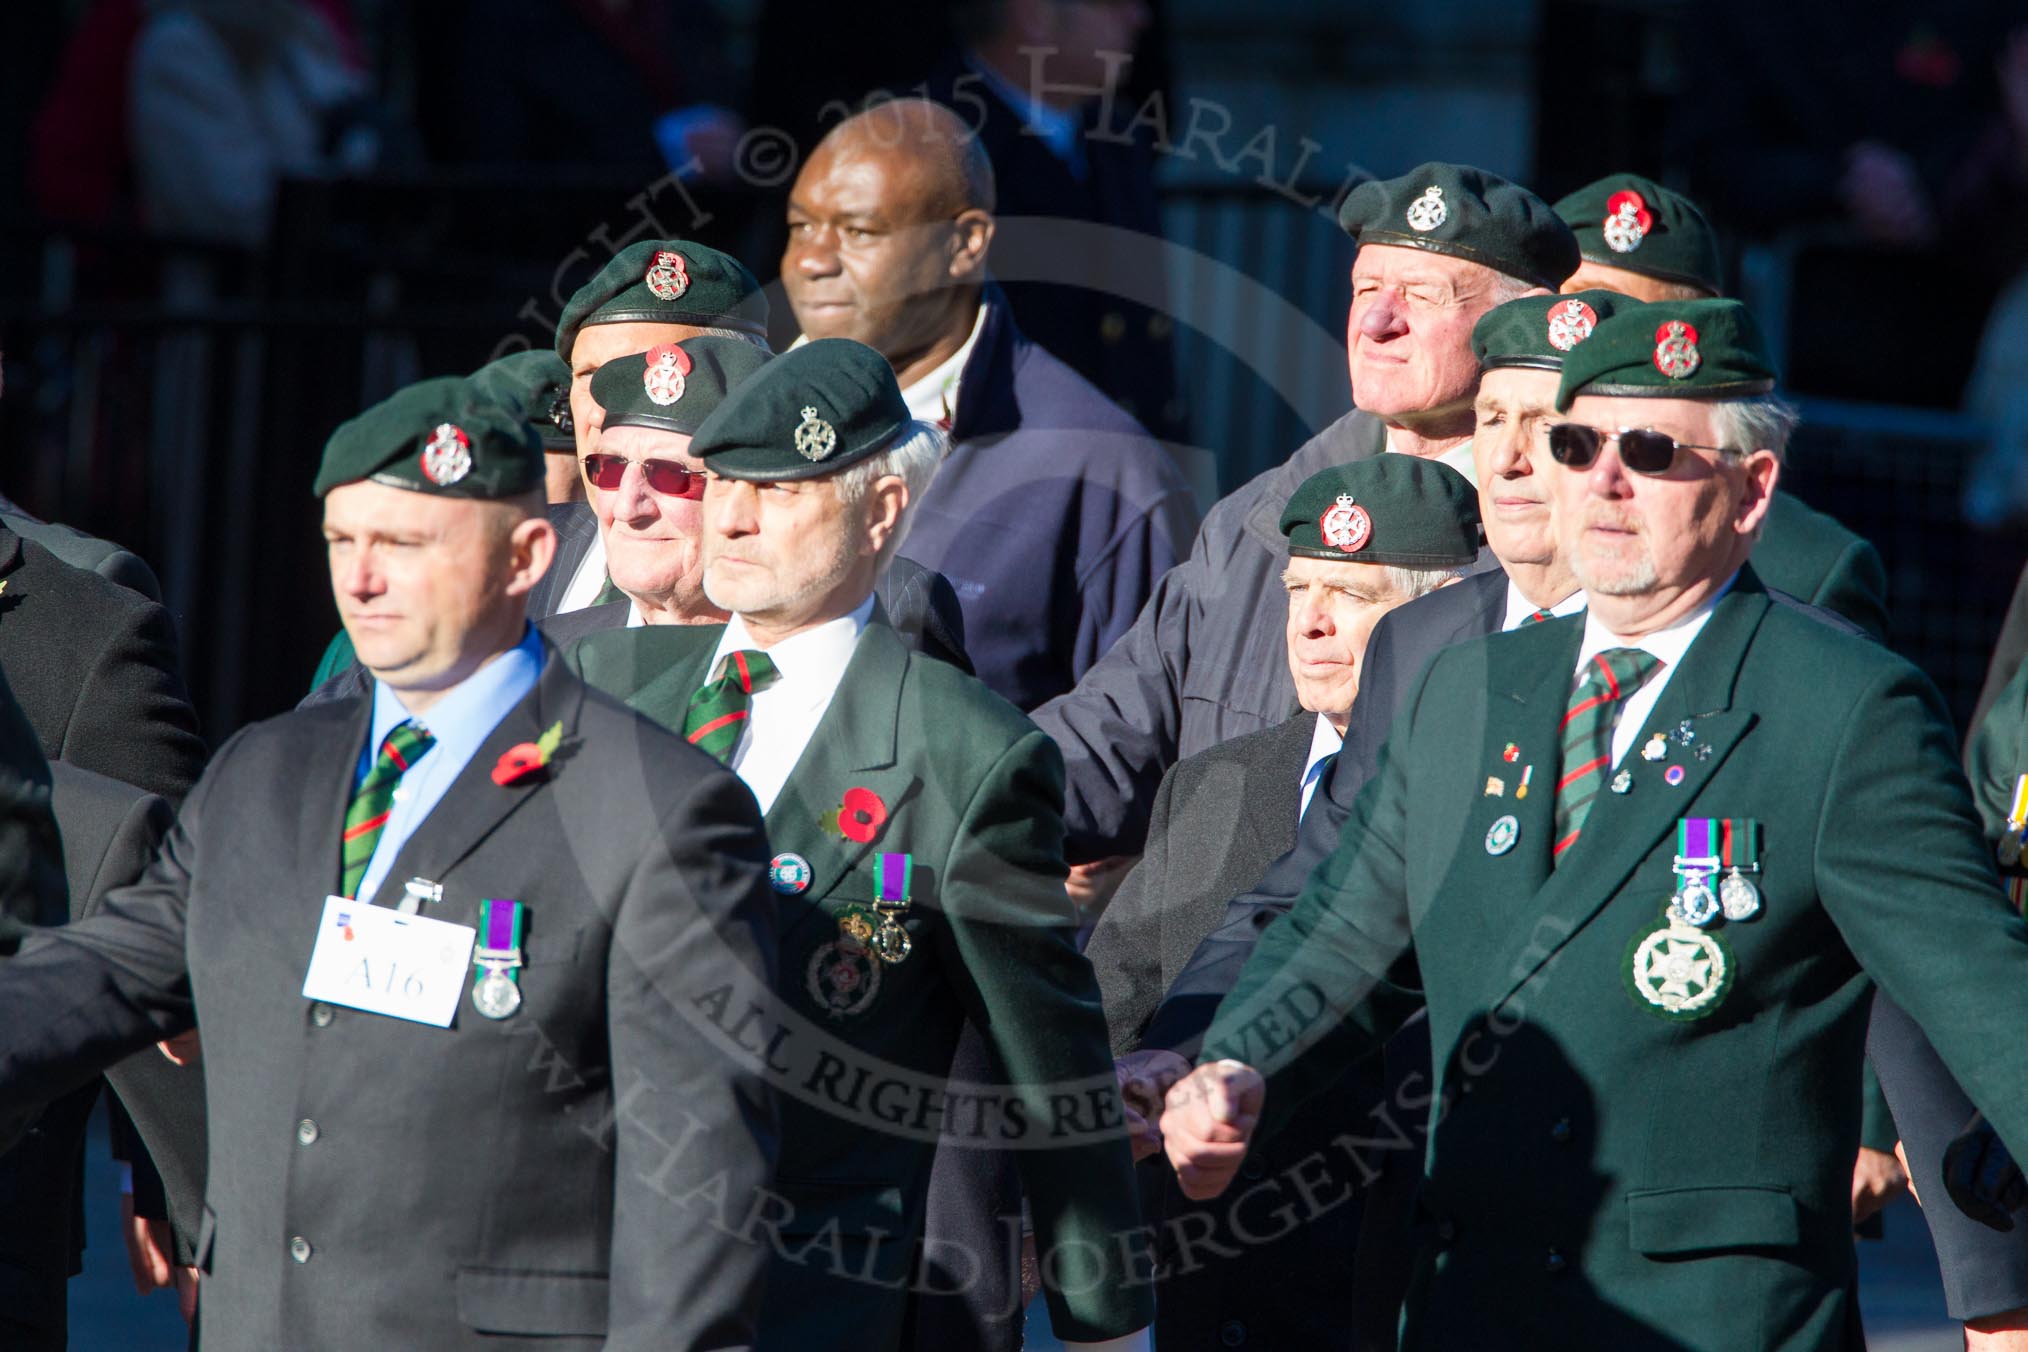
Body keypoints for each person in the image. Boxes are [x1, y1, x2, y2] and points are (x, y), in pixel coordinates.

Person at [1158, 297, 2028, 1350]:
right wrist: (1241, 1061)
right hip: (1472, 1294)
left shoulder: (1842, 707)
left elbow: (1985, 1004)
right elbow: (1345, 928)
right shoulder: (1469, 684)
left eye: (1652, 450)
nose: (1603, 480)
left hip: (1711, 1316)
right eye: (1578, 444)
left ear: (1753, 491)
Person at [0, 377, 781, 1350]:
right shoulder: (264, 774)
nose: (364, 579)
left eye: (406, 544)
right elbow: (106, 969)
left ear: (525, 556)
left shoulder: (655, 809)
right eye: (344, 542)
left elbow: (698, 1194)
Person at [569, 338, 1153, 1351]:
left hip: (797, 1295)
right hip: (577, 1275)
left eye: (781, 491)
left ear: (880, 512)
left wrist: (1105, 1326)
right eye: (725, 482)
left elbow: (1048, 1059)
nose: (736, 518)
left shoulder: (964, 749)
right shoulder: (600, 681)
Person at [1031, 162, 1580, 860]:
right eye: (1366, 290)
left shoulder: (1554, 549)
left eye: (1421, 294)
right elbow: (1107, 740)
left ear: (1515, 323)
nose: (1378, 321)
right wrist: (935, 790)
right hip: (1200, 958)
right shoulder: (1254, 524)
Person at [1085, 455, 1479, 1352]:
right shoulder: (1220, 781)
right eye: (1300, 589)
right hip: (1194, 1267)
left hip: (1368, 1280)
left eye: (1356, 595)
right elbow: (1120, 978)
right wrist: (1127, 1078)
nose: (1312, 623)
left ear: (1443, 614)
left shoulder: (1477, 779)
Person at [781, 98, 1196, 709]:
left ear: (966, 242)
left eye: (859, 231)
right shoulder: (731, 413)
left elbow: (1138, 740)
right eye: (799, 226)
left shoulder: (1103, 469)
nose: (812, 259)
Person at [1550, 173, 1890, 641]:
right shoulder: (1488, 499)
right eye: (1578, 311)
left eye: (1631, 326)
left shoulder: (1808, 568)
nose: (1597, 347)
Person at [928, 0, 1181, 439]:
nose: (1138, 17)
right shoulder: (925, 144)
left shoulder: (1119, 136)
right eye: (1114, 4)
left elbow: (1142, 355)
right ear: (1034, 13)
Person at [532, 237, 771, 619]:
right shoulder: (518, 555)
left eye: (645, 379)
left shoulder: (835, 585)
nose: (601, 412)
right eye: (588, 375)